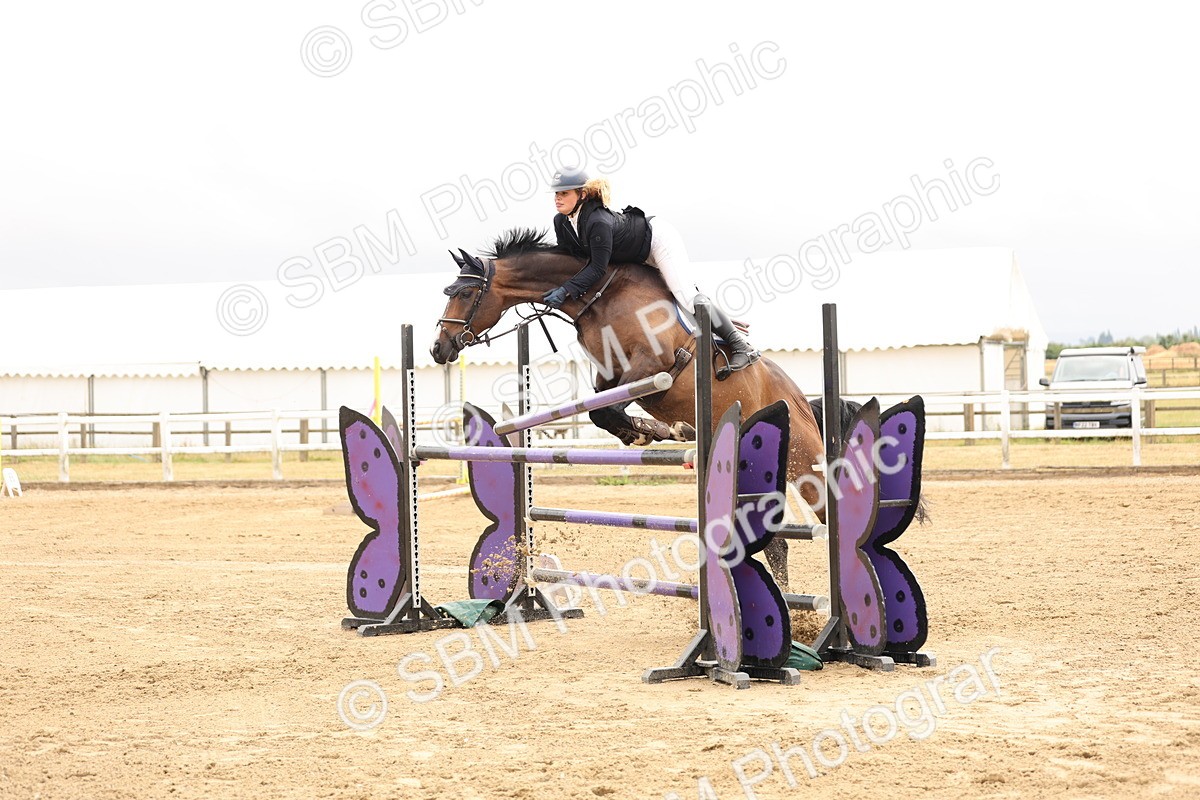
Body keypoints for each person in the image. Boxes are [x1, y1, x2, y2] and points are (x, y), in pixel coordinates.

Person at [542, 168, 760, 372]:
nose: (557, 198)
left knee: (686, 296)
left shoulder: (597, 221)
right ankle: (721, 321)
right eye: (555, 194)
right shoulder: (561, 221)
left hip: (657, 242)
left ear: (583, 195)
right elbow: (573, 261)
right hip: (634, 254)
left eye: (564, 193)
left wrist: (566, 290)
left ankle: (741, 346)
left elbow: (597, 268)